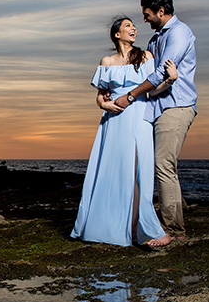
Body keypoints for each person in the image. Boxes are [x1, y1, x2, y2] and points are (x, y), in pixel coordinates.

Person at [71, 17, 176, 247]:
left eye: (134, 26)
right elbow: (100, 95)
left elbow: (153, 88)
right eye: (128, 26)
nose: (134, 29)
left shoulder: (146, 56)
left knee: (141, 172)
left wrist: (170, 79)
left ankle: (145, 229)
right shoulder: (107, 61)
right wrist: (103, 104)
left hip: (139, 116)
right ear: (116, 34)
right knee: (113, 171)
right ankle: (108, 229)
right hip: (114, 120)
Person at [114, 0, 197, 241]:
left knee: (163, 166)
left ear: (161, 11)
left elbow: (160, 72)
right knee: (162, 167)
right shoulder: (154, 41)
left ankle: (174, 232)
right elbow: (155, 77)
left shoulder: (180, 33)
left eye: (147, 14)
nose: (145, 20)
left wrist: (130, 96)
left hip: (176, 107)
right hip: (156, 108)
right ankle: (168, 222)